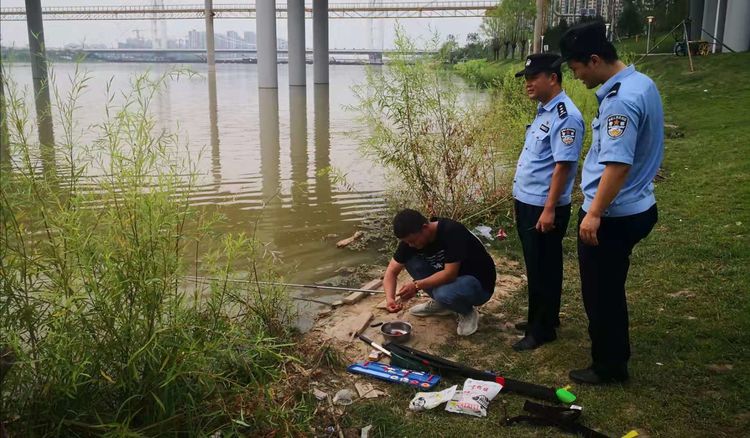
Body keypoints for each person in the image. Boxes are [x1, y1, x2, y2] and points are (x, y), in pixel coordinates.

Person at [554, 21, 663, 384]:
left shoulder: (621, 101)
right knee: (610, 287)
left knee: (601, 294)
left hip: (614, 214)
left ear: (595, 59)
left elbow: (618, 165)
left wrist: (594, 212)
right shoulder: (641, 83)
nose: (576, 77)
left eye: (576, 69)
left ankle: (609, 366)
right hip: (638, 204)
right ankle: (612, 355)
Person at [511, 53, 585, 352]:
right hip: (529, 201)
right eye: (526, 79)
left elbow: (563, 166)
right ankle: (542, 318)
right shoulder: (545, 111)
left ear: (552, 78)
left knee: (544, 266)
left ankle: (541, 330)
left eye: (533, 78)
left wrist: (549, 209)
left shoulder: (566, 116)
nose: (528, 84)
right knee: (539, 264)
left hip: (543, 205)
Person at [383, 209, 496, 336]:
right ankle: (443, 304)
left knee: (443, 293)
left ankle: (467, 312)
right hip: (452, 282)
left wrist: (416, 286)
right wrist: (390, 299)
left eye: (413, 241)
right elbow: (391, 272)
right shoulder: (410, 242)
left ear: (424, 227)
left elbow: (450, 274)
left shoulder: (451, 231)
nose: (410, 245)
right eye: (407, 242)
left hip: (479, 285)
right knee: (410, 261)